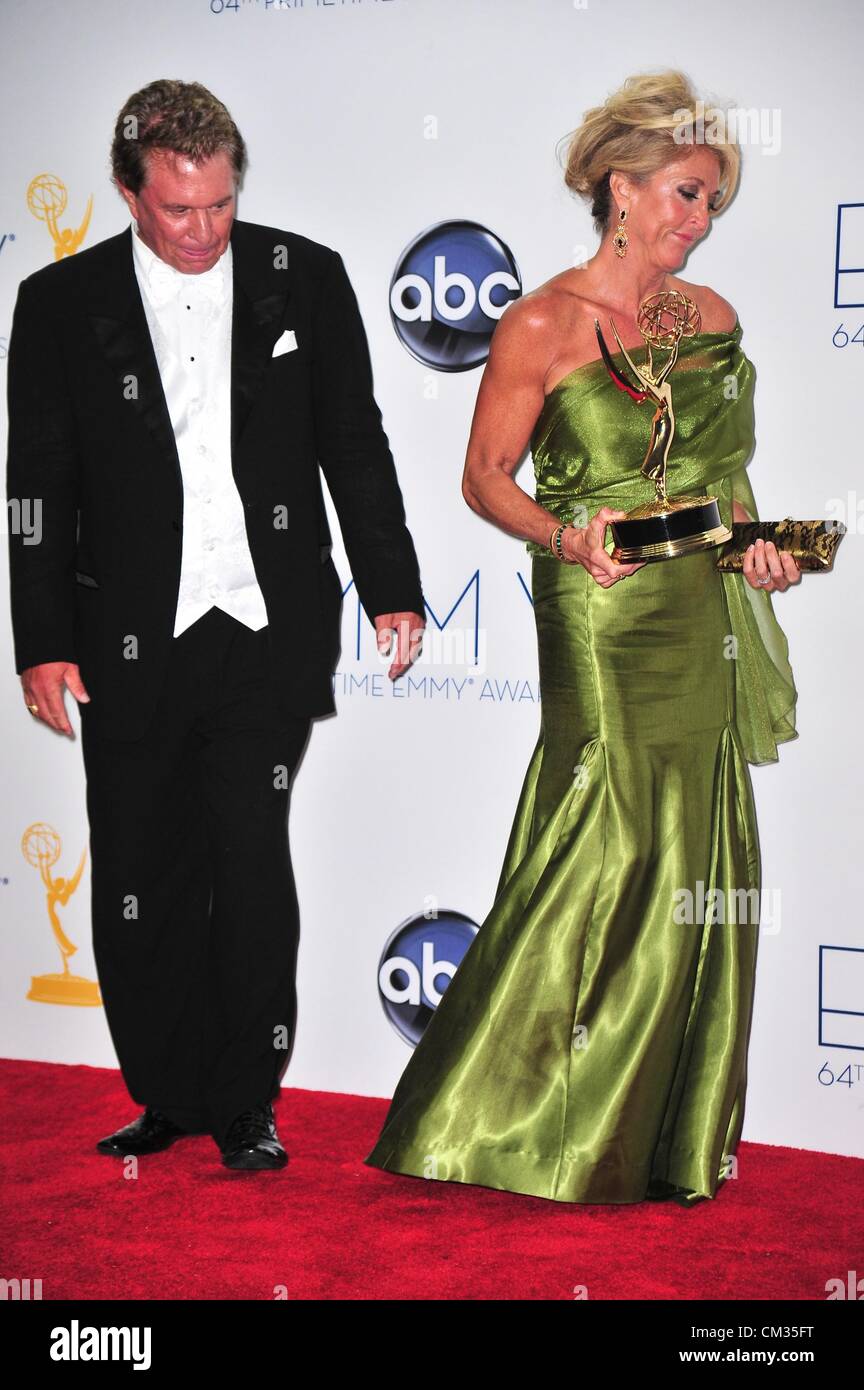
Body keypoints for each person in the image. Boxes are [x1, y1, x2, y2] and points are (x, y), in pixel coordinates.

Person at [365, 70, 801, 1205]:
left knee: (691, 853)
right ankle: (489, 1115)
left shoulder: (712, 323)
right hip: (598, 611)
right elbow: (481, 480)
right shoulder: (540, 323)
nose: (698, 223)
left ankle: (654, 1129)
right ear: (623, 187)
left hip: (694, 615)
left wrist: (763, 550)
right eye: (686, 194)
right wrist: (567, 536)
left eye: (712, 204)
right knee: (601, 841)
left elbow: (722, 491)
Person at [6, 79, 425, 1170]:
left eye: (221, 207)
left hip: (262, 630)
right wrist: (41, 637)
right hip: (124, 639)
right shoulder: (57, 305)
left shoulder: (307, 278)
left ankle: (247, 1102)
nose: (203, 234)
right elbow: (36, 482)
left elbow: (355, 441)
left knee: (249, 862)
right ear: (128, 193)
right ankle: (169, 1092)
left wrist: (392, 585)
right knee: (141, 874)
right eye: (179, 210)